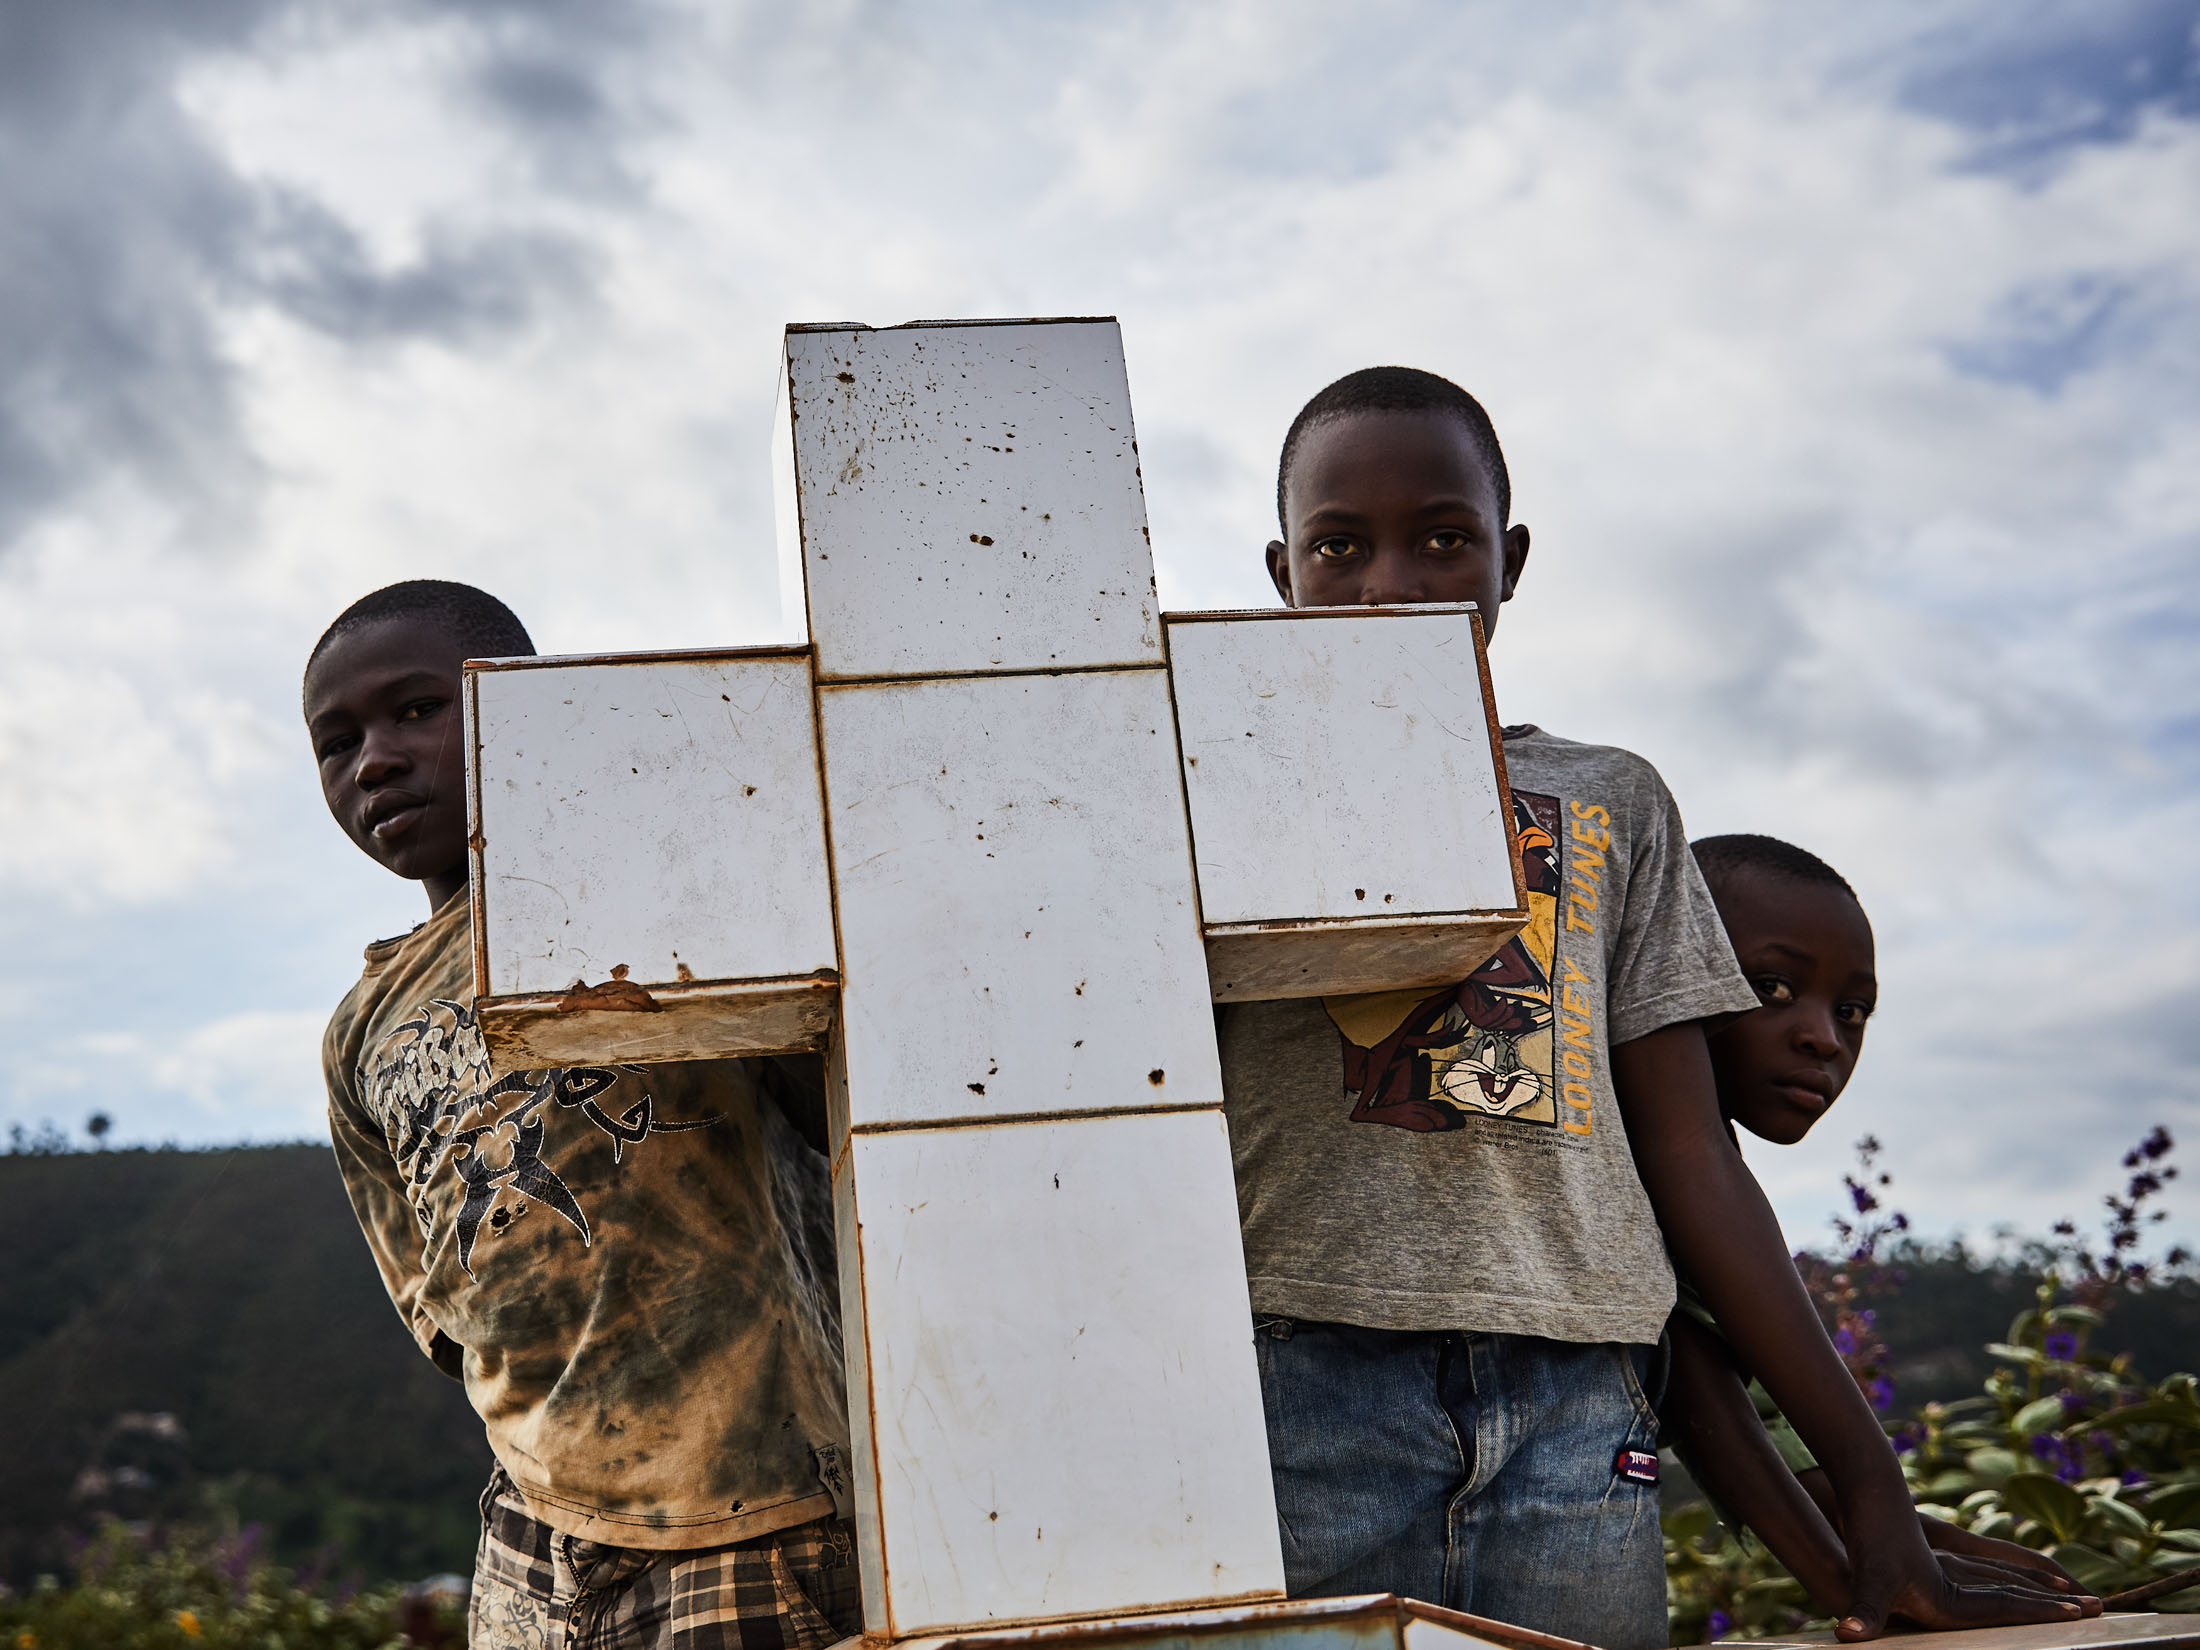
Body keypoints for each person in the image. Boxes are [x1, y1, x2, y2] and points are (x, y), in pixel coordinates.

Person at [1222, 367, 2090, 1647]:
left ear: (1509, 562)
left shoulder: (1609, 800)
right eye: (1340, 546)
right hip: (1301, 1380)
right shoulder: (1216, 791)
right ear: (1280, 572)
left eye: (1444, 538)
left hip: (1577, 1410)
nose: (1393, 583)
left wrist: (1871, 1489)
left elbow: (1692, 1155)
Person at [304, 580, 858, 1650]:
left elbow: (835, 1113)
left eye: (416, 710)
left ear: (528, 708)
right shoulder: (359, 1032)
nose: (373, 759)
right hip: (530, 1535)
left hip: (749, 1505)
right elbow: (436, 1297)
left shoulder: (669, 908)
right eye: (337, 741)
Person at [1660, 834, 2091, 1615]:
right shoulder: (1617, 1160)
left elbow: (1708, 1387)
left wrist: (1912, 1550)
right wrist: (1864, 1547)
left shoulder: (1686, 1190)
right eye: (1773, 986)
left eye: (1851, 1010)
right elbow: (1694, 1381)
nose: (1824, 1037)